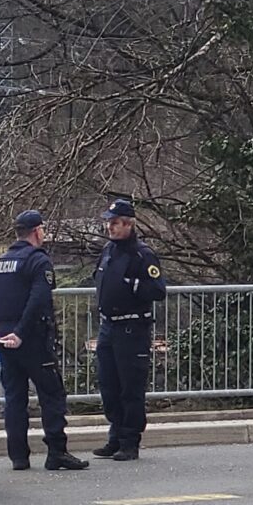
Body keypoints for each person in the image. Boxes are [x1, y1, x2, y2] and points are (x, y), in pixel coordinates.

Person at [0, 210, 88, 473]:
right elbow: (38, 301)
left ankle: (18, 456)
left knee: (15, 399)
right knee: (52, 394)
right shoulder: (38, 261)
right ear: (37, 231)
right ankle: (56, 452)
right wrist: (22, 333)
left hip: (4, 342)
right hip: (33, 341)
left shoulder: (0, 263)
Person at [92, 197, 167, 461]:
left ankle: (130, 441)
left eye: (114, 223)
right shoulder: (108, 251)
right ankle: (115, 436)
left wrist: (132, 284)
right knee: (108, 385)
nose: (109, 228)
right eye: (108, 223)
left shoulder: (142, 254)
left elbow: (158, 291)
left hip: (132, 329)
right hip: (108, 328)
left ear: (128, 224)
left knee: (130, 388)